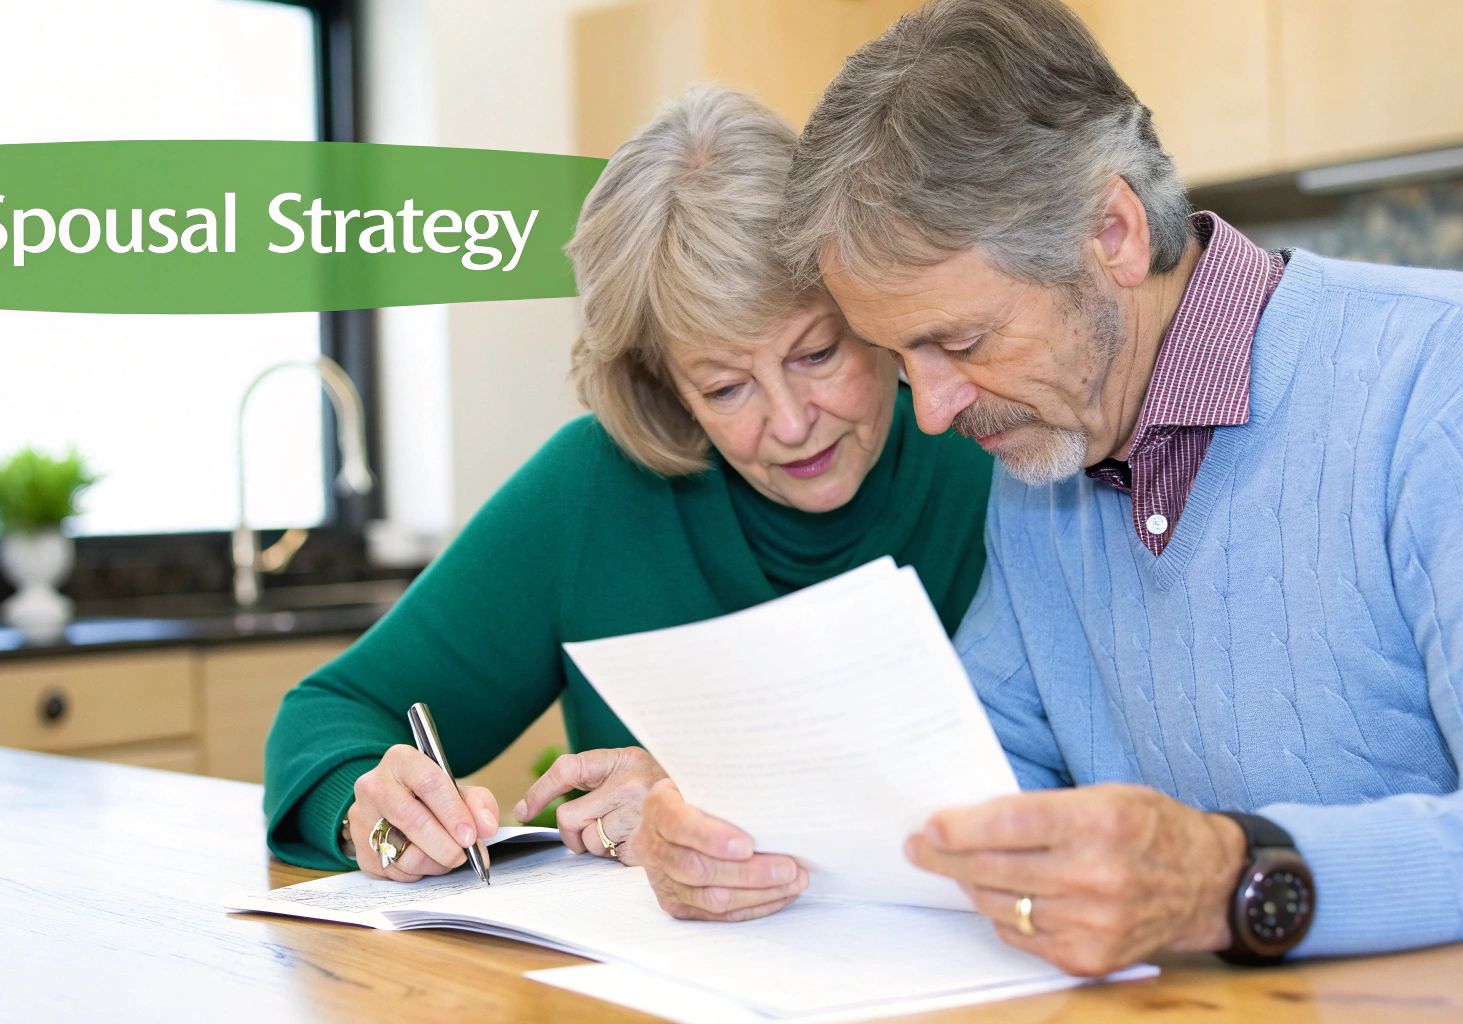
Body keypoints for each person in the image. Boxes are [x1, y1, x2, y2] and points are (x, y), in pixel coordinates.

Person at [634, 0, 1463, 972]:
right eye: (897, 356)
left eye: (958, 342)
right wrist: (730, 826)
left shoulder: (1457, 379)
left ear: (1113, 233)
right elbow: (952, 786)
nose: (928, 410)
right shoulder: (1042, 462)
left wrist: (1225, 878)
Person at [261, 86, 996, 900]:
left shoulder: (994, 455)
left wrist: (711, 801)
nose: (790, 423)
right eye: (724, 388)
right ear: (664, 387)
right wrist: (375, 812)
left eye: (816, 354)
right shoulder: (594, 491)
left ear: (871, 304)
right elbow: (327, 716)